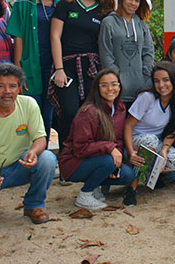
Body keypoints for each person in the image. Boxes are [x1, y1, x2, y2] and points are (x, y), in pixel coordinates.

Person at [0, 63, 57, 225]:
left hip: (20, 165)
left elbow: (40, 138)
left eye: (12, 86)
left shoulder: (29, 104)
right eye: (1, 86)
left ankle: (33, 205)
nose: (7, 91)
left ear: (19, 88)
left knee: (47, 159)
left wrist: (33, 152)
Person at [49, 0, 115, 150]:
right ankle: (65, 158)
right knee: (69, 111)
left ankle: (83, 156)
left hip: (92, 68)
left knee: (88, 113)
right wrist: (59, 69)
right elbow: (55, 36)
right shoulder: (67, 3)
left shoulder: (104, 11)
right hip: (67, 66)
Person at [58, 68, 137, 210]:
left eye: (114, 84)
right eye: (104, 85)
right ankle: (85, 195)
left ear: (119, 86)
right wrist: (110, 148)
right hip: (74, 163)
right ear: (97, 88)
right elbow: (80, 148)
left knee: (127, 175)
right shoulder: (89, 111)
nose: (110, 89)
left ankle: (94, 187)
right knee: (109, 160)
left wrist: (116, 165)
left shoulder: (120, 108)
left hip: (98, 158)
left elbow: (118, 139)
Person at [7, 0, 63, 143]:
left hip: (52, 68)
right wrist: (18, 70)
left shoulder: (61, 5)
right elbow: (18, 37)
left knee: (47, 116)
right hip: (29, 65)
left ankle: (42, 158)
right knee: (30, 113)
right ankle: (25, 158)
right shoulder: (25, 2)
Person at [124, 62, 175, 199]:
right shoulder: (147, 97)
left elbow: (172, 131)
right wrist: (131, 153)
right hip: (136, 140)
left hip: (156, 141)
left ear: (173, 80)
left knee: (174, 161)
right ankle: (132, 188)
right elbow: (128, 126)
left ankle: (150, 177)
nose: (161, 85)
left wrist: (164, 151)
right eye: (156, 81)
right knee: (150, 140)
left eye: (166, 80)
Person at [99, 0, 155, 108]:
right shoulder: (109, 22)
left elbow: (148, 52)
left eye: (137, 0)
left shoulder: (141, 24)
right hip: (116, 90)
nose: (133, 3)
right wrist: (116, 80)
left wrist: (144, 76)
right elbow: (106, 53)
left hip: (140, 89)